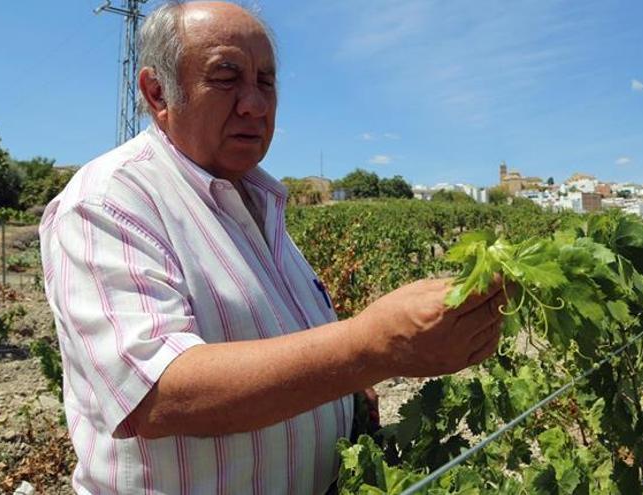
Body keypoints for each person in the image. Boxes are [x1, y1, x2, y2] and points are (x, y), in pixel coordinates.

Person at [39, 1, 505, 493]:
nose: (255, 104)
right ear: (158, 92)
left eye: (265, 81)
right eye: (226, 77)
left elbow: (277, 333)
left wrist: (345, 390)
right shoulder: (107, 202)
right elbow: (158, 393)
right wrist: (370, 347)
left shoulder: (258, 199)